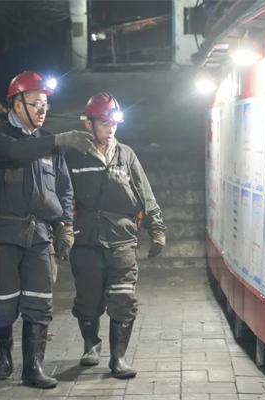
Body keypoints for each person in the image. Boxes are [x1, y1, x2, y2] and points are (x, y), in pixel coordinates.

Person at [0, 70, 94, 389]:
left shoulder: (50, 145)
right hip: (5, 234)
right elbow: (15, 153)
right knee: (2, 304)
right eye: (36, 103)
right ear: (17, 104)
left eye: (45, 104)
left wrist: (66, 225)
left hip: (40, 236)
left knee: (39, 302)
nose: (42, 110)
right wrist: (57, 140)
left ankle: (33, 368)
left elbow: (64, 188)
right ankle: (4, 350)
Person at [60, 92, 166, 379]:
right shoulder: (73, 156)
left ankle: (118, 358)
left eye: (114, 124)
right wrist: (62, 229)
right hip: (86, 240)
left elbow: (145, 193)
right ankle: (90, 344)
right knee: (88, 300)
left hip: (122, 238)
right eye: (104, 123)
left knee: (123, 297)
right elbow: (63, 195)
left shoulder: (125, 154)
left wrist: (156, 229)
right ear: (89, 124)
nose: (110, 129)